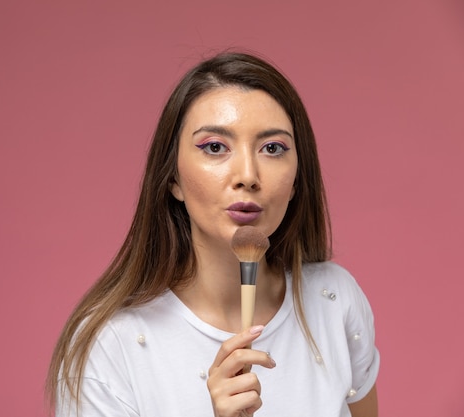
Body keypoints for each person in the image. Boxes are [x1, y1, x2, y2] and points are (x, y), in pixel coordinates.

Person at [47, 51, 380, 417]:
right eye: (215, 147)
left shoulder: (334, 301)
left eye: (273, 148)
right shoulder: (110, 345)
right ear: (172, 177)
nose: (248, 175)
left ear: (297, 180)